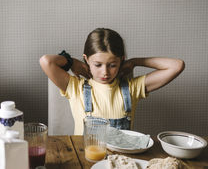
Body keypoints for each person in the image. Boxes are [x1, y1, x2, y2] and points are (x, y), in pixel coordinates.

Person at [39, 28, 185, 135]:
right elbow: (46, 61)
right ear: (87, 59)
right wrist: (72, 62)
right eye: (98, 65)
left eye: (112, 65)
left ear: (121, 61)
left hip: (120, 161)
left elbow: (176, 66)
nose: (105, 72)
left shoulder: (132, 88)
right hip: (86, 160)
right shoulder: (76, 88)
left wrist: (134, 61)